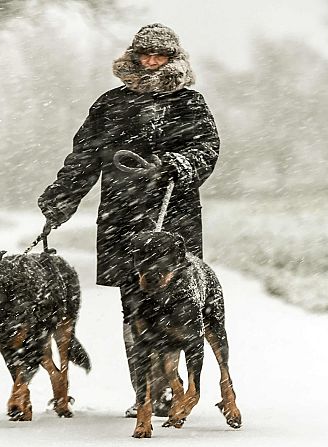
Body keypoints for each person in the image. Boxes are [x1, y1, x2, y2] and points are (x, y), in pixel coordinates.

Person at [37, 23, 219, 417]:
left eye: (160, 55)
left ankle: (167, 389)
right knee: (134, 306)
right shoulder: (110, 104)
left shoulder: (190, 104)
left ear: (173, 59)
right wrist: (60, 200)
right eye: (145, 55)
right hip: (121, 216)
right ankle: (146, 393)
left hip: (174, 218)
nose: (152, 62)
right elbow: (84, 158)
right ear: (133, 57)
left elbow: (207, 148)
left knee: (176, 304)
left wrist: (175, 164)